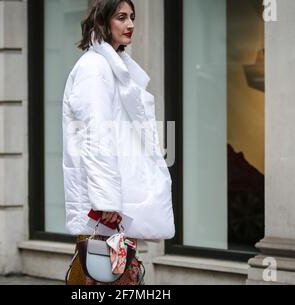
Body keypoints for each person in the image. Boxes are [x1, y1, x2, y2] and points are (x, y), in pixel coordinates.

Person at [62, 0, 175, 285]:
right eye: (121, 17)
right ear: (103, 22)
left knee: (116, 276)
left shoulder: (115, 68)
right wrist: (106, 201)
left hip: (113, 205)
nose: (131, 24)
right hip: (102, 206)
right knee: (103, 277)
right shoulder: (94, 68)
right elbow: (95, 136)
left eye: (132, 17)